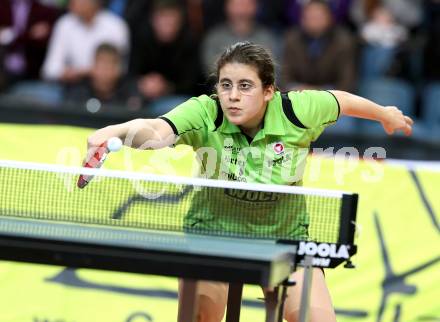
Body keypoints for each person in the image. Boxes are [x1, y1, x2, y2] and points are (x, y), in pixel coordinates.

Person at [86, 42, 413, 322]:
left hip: (285, 241)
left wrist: (384, 114)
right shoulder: (206, 112)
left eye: (245, 86)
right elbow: (157, 131)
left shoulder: (296, 111)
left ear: (268, 90)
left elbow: (340, 100)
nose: (232, 96)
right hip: (213, 237)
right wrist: (115, 131)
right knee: (201, 315)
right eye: (225, 85)